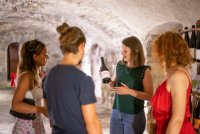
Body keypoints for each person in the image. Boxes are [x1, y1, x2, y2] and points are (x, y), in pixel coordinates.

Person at [43, 23, 102, 134]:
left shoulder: (48, 76)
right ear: (81, 46)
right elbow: (92, 124)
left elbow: (49, 113)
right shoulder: (83, 80)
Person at [151, 31, 195, 134]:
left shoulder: (178, 76)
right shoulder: (171, 72)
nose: (157, 54)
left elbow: (177, 120)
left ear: (168, 51)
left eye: (159, 50)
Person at [108, 36, 153, 134]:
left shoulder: (145, 71)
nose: (122, 53)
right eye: (121, 50)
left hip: (134, 116)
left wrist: (130, 91)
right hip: (116, 112)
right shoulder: (119, 65)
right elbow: (114, 85)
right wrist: (109, 82)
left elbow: (149, 96)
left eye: (125, 51)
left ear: (136, 50)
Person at [11, 39, 48, 134]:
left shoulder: (37, 75)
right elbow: (15, 105)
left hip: (36, 123)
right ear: (35, 56)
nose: (47, 56)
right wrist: (41, 109)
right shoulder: (27, 76)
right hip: (26, 127)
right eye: (44, 53)